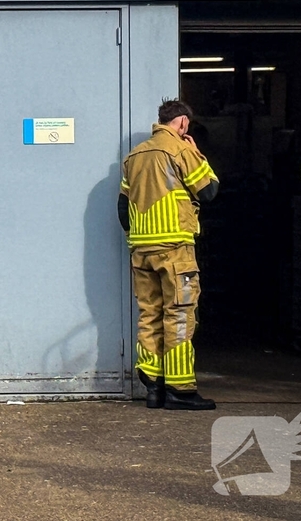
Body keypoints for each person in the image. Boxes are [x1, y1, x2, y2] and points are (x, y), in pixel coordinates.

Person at [118, 99, 220, 410]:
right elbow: (209, 191)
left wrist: (140, 236)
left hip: (141, 249)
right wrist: (198, 154)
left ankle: (153, 386)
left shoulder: (133, 156)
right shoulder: (180, 149)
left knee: (150, 314)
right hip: (175, 248)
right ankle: (180, 389)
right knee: (179, 313)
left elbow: (123, 209)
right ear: (184, 124)